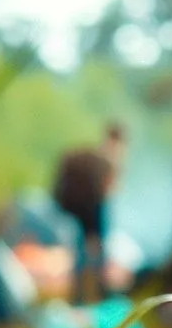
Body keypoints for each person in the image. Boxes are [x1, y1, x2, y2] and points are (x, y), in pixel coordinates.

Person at [52, 122, 127, 304]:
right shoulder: (105, 162)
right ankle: (89, 298)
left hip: (84, 216)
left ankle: (87, 297)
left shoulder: (96, 157)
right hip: (90, 216)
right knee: (89, 258)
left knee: (87, 258)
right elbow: (100, 195)